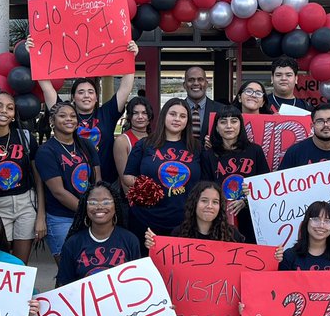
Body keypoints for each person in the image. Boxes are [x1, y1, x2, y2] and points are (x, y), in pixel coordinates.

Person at [145, 182, 242, 316]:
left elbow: (247, 269)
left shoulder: (232, 236)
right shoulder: (179, 234)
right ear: (194, 203)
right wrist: (153, 247)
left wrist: (275, 257)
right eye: (204, 200)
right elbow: (164, 271)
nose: (209, 206)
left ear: (221, 207)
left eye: (215, 202)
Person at [55, 183, 142, 316]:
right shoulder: (74, 243)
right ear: (85, 207)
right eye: (93, 202)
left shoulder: (129, 240)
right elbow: (63, 286)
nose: (99, 207)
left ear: (115, 206)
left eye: (106, 201)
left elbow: (139, 285)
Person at [33, 40, 139, 184]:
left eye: (90, 92)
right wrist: (35, 54)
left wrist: (131, 57)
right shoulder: (65, 115)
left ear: (96, 97)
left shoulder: (107, 113)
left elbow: (125, 88)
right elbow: (47, 88)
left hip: (107, 182)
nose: (86, 96)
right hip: (72, 182)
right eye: (81, 92)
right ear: (73, 97)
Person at [0, 90, 46, 264]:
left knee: (20, 265)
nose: (4, 111)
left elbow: (38, 179)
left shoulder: (25, 137)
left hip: (26, 204)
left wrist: (41, 216)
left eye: (10, 108)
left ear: (14, 114)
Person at [122, 97, 199, 237]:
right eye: (172, 114)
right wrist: (146, 186)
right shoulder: (145, 144)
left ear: (188, 121)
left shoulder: (197, 147)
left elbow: (205, 183)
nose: (177, 119)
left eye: (182, 116)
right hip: (146, 220)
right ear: (164, 116)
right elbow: (127, 176)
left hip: (185, 221)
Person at [35, 101, 100, 261]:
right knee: (69, 268)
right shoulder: (46, 151)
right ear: (52, 121)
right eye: (62, 116)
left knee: (90, 264)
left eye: (72, 116)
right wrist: (89, 210)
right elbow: (58, 192)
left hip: (90, 215)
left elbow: (98, 180)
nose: (69, 119)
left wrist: (97, 208)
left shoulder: (86, 145)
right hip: (62, 219)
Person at [201, 106, 268, 243]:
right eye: (223, 122)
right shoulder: (208, 155)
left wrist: (245, 201)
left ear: (240, 125)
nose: (229, 126)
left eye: (234, 121)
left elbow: (265, 185)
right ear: (216, 128)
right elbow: (204, 188)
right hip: (220, 219)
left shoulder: (255, 151)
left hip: (252, 220)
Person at [278, 101, 330, 171]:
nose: (326, 125)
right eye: (320, 121)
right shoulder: (295, 152)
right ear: (312, 126)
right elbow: (282, 179)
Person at [114, 96, 153, 178]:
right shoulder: (122, 141)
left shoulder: (155, 139)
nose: (140, 117)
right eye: (135, 113)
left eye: (144, 113)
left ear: (149, 115)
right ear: (129, 116)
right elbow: (125, 179)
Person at [183, 65, 225, 141]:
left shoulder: (221, 109)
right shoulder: (176, 110)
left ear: (206, 84)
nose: (196, 83)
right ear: (184, 85)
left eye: (200, 79)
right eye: (191, 80)